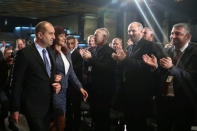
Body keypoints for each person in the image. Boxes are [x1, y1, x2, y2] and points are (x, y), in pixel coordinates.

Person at [142, 23, 197, 131]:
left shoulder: (195, 52)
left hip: (184, 102)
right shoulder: (168, 50)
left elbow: (192, 77)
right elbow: (162, 75)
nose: (173, 36)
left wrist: (172, 67)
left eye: (178, 33)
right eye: (172, 33)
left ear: (188, 36)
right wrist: (155, 67)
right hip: (164, 99)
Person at [112, 22, 166, 131]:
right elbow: (128, 66)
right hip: (129, 93)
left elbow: (149, 66)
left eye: (133, 31)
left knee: (140, 124)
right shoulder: (130, 47)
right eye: (129, 31)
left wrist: (125, 60)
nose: (131, 33)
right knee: (130, 122)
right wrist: (119, 60)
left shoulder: (151, 45)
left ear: (141, 31)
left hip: (142, 93)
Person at [10, 21, 61, 131]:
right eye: (51, 34)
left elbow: (46, 77)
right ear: (40, 35)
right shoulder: (24, 54)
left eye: (54, 34)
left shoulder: (51, 52)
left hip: (48, 107)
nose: (54, 37)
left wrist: (56, 84)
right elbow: (16, 83)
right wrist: (15, 109)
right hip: (31, 109)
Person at [50, 26, 88, 131]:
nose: (64, 39)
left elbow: (71, 73)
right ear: (55, 37)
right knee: (58, 122)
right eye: (61, 36)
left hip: (64, 92)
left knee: (60, 123)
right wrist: (52, 77)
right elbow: (44, 71)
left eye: (64, 36)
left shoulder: (66, 52)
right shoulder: (49, 52)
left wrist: (80, 87)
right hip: (54, 91)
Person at [80, 28, 116, 131]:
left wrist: (91, 59)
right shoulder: (93, 49)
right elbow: (88, 68)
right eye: (94, 35)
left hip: (104, 90)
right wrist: (86, 60)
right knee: (94, 115)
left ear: (104, 37)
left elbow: (106, 68)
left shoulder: (110, 51)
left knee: (103, 117)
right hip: (92, 88)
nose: (94, 37)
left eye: (96, 35)